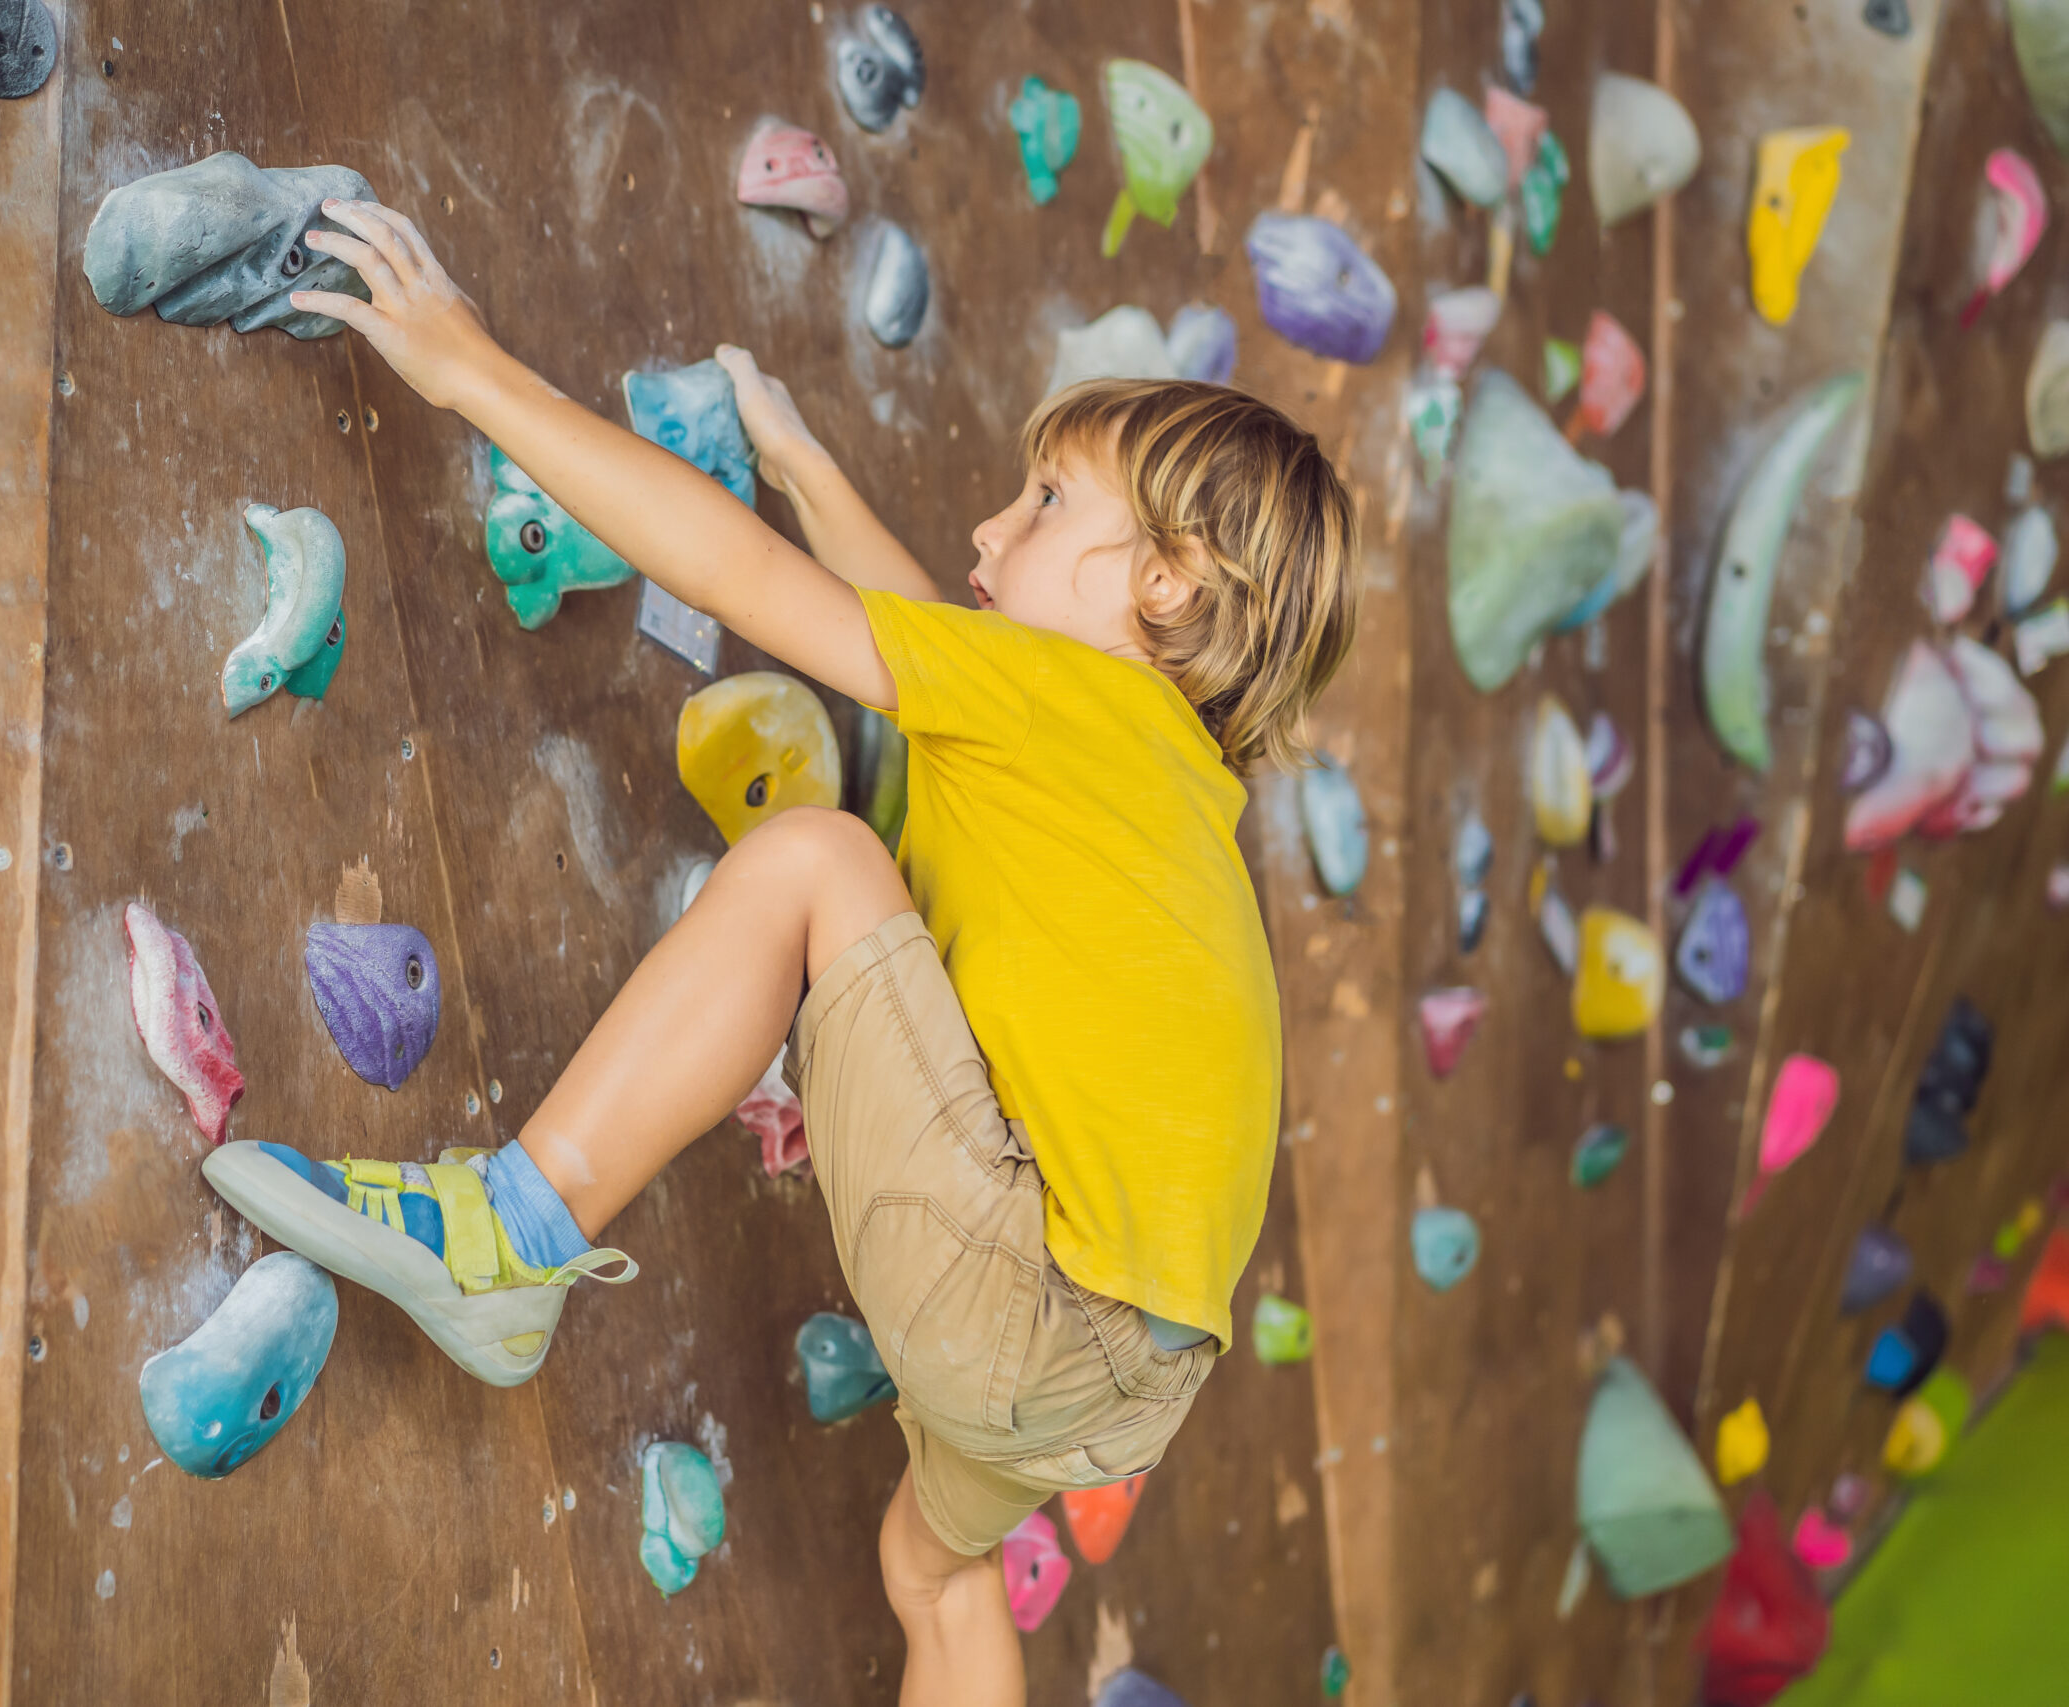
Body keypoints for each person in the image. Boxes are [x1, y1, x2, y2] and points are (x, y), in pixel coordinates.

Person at [202, 200, 1359, 1707]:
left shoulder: (1070, 712)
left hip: (1031, 1302)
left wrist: (471, 373)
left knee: (820, 858)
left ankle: (508, 1237)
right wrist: (807, 458)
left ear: (1166, 588)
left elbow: (757, 588)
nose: (993, 531)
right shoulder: (1158, 785)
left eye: (1049, 504)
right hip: (1122, 1385)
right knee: (928, 1579)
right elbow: (929, 638)